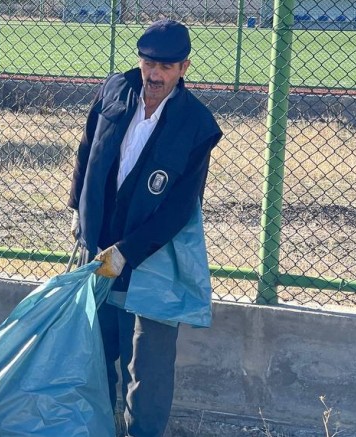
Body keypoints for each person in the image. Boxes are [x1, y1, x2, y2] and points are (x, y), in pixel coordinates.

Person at [68, 19, 223, 437]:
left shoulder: (195, 124)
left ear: (184, 68)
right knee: (95, 354)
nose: (154, 75)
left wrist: (127, 252)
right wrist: (78, 212)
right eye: (149, 63)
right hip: (97, 253)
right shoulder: (115, 90)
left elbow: (180, 208)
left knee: (147, 368)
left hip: (150, 261)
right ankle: (99, 429)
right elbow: (86, 150)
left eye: (166, 67)